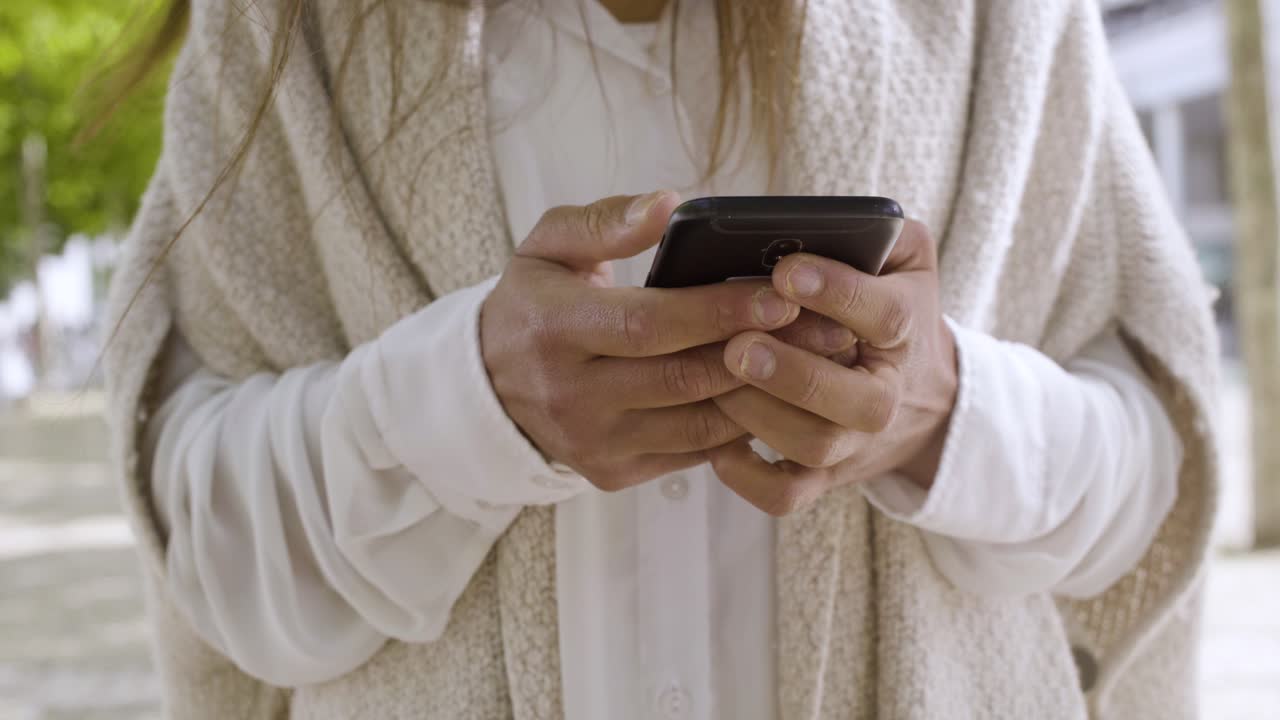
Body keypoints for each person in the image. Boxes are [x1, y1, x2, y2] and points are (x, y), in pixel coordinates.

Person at [103, 0, 1220, 718]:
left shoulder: (997, 22)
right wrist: (461, 408)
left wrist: (938, 413)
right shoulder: (280, 33)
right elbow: (209, 552)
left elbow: (1150, 494)